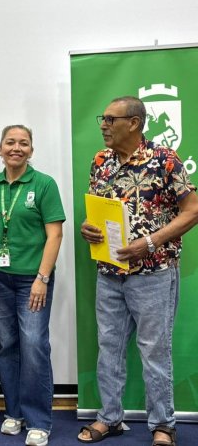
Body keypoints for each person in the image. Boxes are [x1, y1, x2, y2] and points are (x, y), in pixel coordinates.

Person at [78, 96, 198, 446]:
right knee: (109, 347)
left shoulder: (165, 159)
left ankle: (163, 425)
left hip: (154, 272)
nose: (103, 125)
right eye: (103, 119)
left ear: (133, 123)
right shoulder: (100, 161)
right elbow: (97, 210)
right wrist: (88, 228)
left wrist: (149, 242)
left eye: (110, 119)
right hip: (109, 271)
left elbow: (192, 211)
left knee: (154, 350)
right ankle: (109, 418)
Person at [0, 125, 65, 446]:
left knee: (34, 345)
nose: (16, 148)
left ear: (31, 150)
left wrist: (43, 278)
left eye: (24, 143)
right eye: (10, 142)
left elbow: (55, 234)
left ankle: (39, 420)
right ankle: (13, 411)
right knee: (8, 346)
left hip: (33, 279)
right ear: (0, 149)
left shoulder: (44, 184)